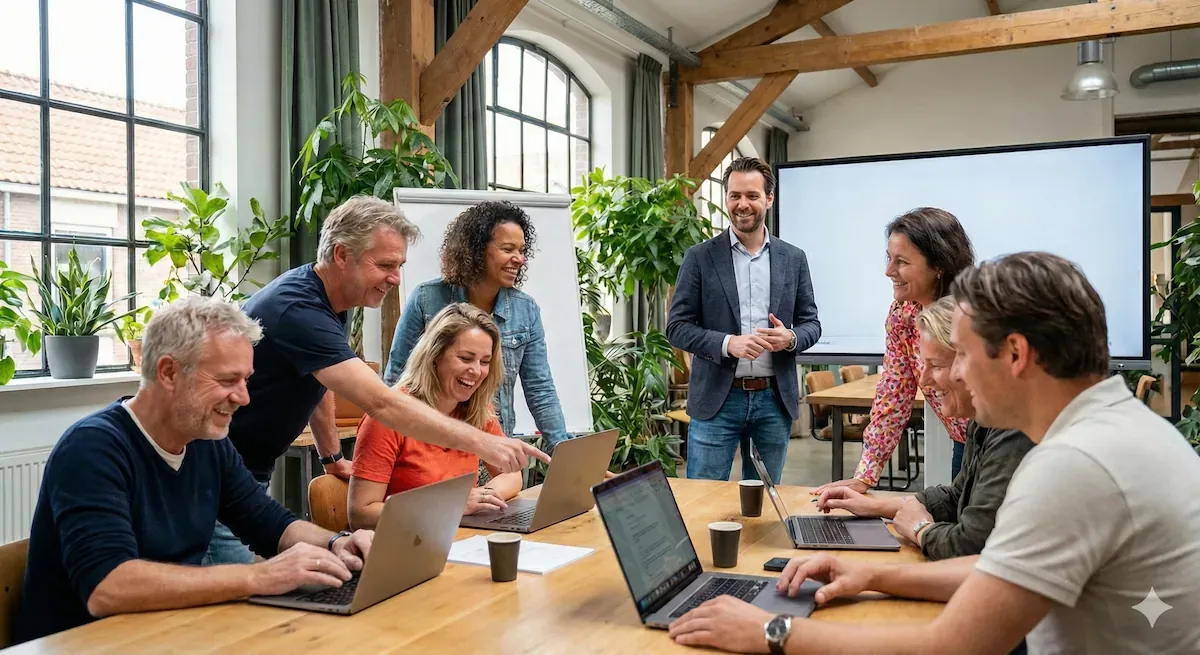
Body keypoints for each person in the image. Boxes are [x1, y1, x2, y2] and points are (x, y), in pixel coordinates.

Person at [667, 252, 1200, 654]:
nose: (952, 376)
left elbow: (952, 645)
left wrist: (771, 631)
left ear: (1016, 354)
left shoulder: (1074, 466)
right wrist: (873, 575)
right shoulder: (1113, 430)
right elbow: (998, 569)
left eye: (961, 355)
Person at [207, 196, 547, 565]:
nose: (395, 279)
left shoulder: (328, 300)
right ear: (342, 255)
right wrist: (484, 443)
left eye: (399, 266)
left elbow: (317, 381)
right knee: (234, 589)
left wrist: (331, 457)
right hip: (213, 473)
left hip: (241, 472)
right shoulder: (300, 310)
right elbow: (381, 403)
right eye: (385, 265)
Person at [13, 297, 375, 644]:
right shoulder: (92, 448)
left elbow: (270, 523)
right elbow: (107, 586)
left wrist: (337, 543)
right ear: (169, 372)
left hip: (161, 635)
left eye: (246, 380)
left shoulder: (205, 441)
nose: (244, 397)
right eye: (227, 380)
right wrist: (261, 575)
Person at [815, 296, 1034, 561]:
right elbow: (958, 497)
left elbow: (971, 545)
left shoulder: (1014, 430)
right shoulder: (986, 419)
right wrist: (874, 506)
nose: (924, 380)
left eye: (937, 365)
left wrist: (920, 529)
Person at [666, 157, 821, 483]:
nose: (742, 204)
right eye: (734, 195)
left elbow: (812, 323)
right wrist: (727, 343)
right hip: (716, 401)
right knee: (703, 498)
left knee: (763, 501)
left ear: (769, 198)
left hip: (773, 401)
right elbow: (677, 327)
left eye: (752, 195)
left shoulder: (793, 258)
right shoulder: (700, 257)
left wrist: (790, 338)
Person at [383, 200, 569, 455]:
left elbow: (540, 389)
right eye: (508, 249)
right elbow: (397, 378)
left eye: (522, 250)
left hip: (495, 446)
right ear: (476, 250)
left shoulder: (526, 310)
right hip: (430, 448)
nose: (519, 259)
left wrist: (564, 452)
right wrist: (393, 448)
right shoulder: (427, 299)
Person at [815, 207, 974, 495]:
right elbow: (894, 394)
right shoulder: (903, 314)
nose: (889, 271)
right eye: (889, 258)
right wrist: (865, 475)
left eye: (901, 261)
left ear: (939, 265)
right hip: (964, 442)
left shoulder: (974, 315)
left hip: (1007, 441)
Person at [349, 304, 523, 528]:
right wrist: (450, 505)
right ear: (435, 355)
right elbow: (361, 514)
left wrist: (480, 498)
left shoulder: (477, 409)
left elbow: (512, 474)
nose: (476, 371)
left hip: (456, 535)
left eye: (485, 362)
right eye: (465, 358)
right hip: (406, 542)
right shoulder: (387, 417)